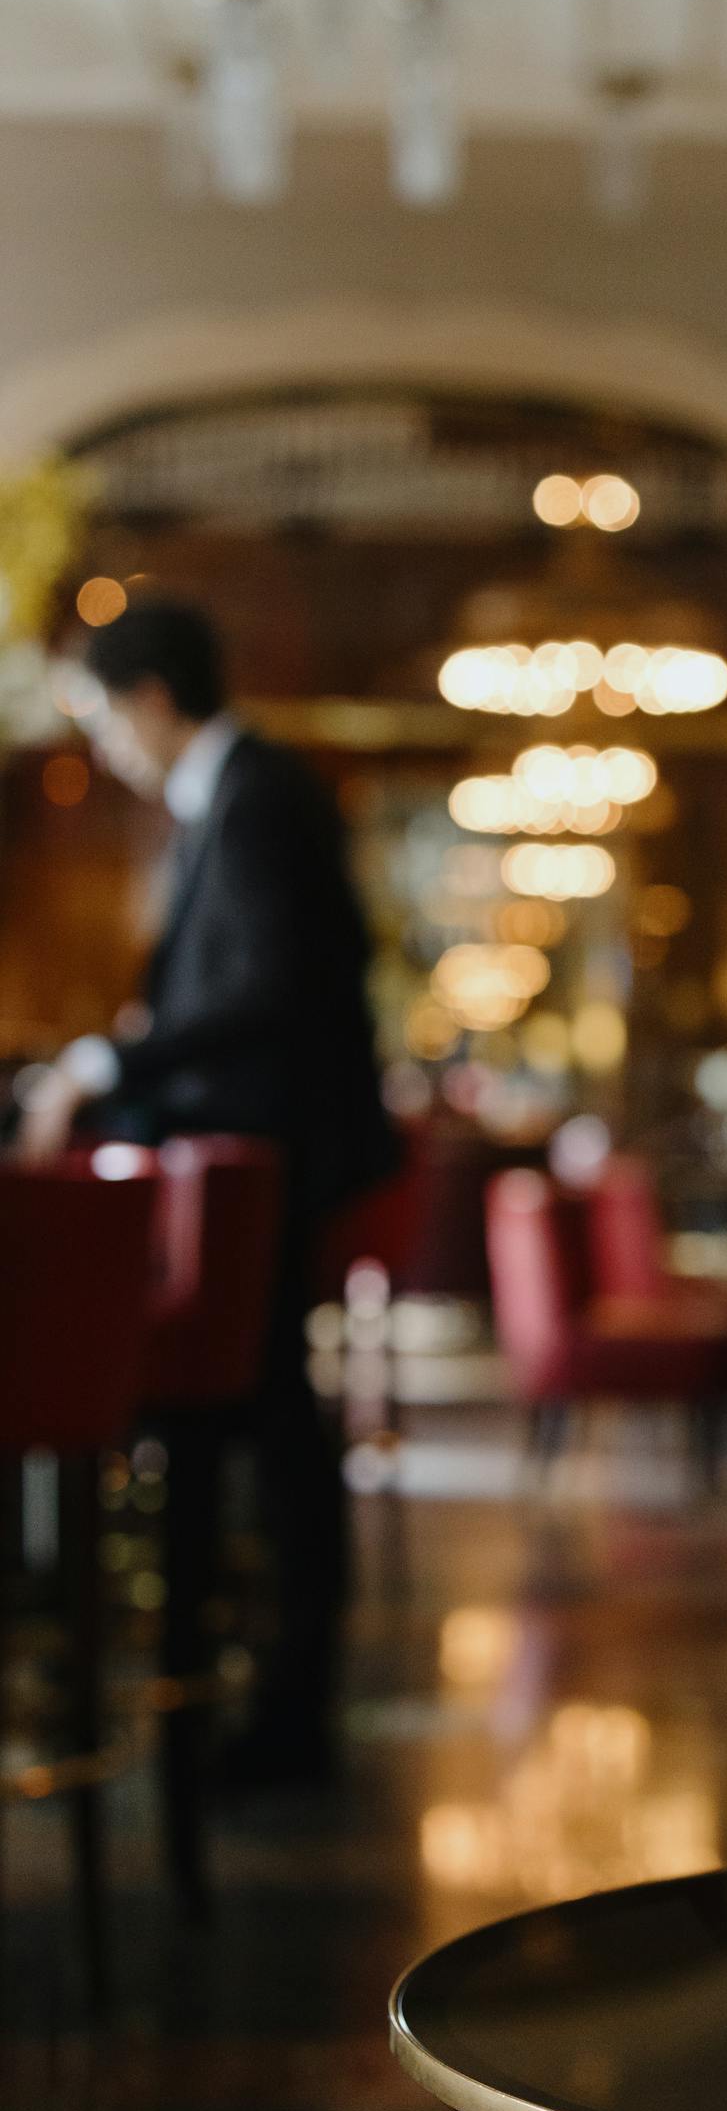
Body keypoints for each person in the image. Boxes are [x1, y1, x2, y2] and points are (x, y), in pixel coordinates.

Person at [23, 598, 396, 1783]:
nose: (104, 745)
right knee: (270, 1423)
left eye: (101, 716)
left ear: (147, 700)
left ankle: (285, 1708)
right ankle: (252, 1697)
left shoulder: (259, 795)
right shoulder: (239, 797)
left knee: (276, 1427)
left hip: (271, 1164)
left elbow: (269, 995)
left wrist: (105, 1066)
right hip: (262, 1157)